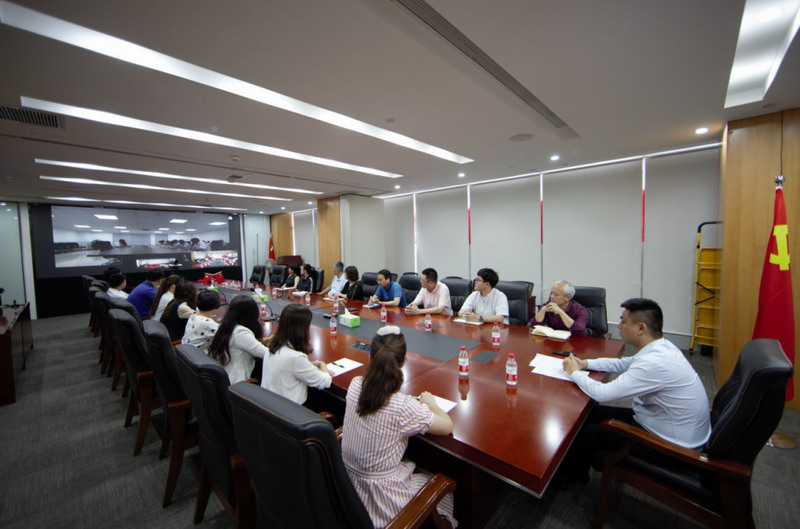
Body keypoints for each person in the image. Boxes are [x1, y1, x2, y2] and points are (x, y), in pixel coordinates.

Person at [560, 298, 711, 484]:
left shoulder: (653, 363)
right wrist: (585, 363)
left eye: (623, 321)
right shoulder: (662, 347)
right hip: (663, 425)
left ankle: (573, 479)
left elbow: (603, 393)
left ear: (641, 328)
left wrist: (574, 373)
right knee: (588, 414)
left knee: (584, 432)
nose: (619, 326)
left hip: (672, 450)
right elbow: (623, 363)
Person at [341, 326, 456, 528]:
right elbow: (447, 426)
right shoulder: (402, 406)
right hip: (382, 500)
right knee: (443, 487)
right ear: (402, 363)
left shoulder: (355, 384)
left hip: (345, 488)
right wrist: (432, 404)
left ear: (370, 357)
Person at [261, 303, 332, 405]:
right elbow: (325, 382)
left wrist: (311, 364)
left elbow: (289, 367)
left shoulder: (272, 346)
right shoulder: (296, 358)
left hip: (269, 406)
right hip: (289, 411)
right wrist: (322, 364)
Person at [207, 295, 269, 384]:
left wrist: (268, 340)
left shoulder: (227, 326)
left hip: (225, 379)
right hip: (238, 384)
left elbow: (249, 344)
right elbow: (267, 354)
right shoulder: (241, 333)